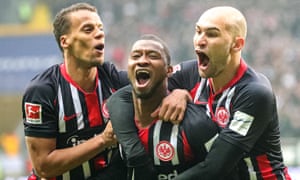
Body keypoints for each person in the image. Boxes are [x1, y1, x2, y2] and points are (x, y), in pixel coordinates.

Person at [108, 6, 292, 180]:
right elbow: (120, 98)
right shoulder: (191, 74)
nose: (200, 40)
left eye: (211, 34)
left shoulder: (254, 93)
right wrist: (136, 155)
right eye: (198, 31)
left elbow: (214, 168)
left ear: (236, 44)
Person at [22, 3, 128, 179]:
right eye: (88, 29)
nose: (100, 33)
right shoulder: (43, 91)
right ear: (65, 41)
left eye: (100, 28)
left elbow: (159, 85)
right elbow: (44, 167)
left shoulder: (113, 79)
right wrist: (103, 140)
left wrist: (179, 94)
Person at [107, 34, 229, 180]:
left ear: (169, 71)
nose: (142, 61)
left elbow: (220, 171)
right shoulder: (120, 121)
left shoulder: (195, 124)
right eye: (136, 56)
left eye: (152, 56)